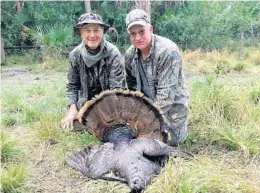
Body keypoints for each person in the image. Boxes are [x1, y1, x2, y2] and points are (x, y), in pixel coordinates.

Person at [124, 9, 189, 145]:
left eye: (141, 31)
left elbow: (166, 98)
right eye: (133, 34)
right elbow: (132, 89)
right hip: (147, 112)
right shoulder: (130, 54)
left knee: (158, 143)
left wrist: (142, 123)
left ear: (150, 28)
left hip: (171, 112)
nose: (137, 38)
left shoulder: (168, 51)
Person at [61, 13, 125, 130]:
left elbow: (117, 88)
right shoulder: (75, 55)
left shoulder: (113, 53)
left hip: (109, 104)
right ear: (80, 32)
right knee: (71, 126)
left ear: (102, 32)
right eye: (87, 30)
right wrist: (72, 108)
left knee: (115, 126)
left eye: (96, 30)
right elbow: (72, 86)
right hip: (84, 104)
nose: (92, 35)